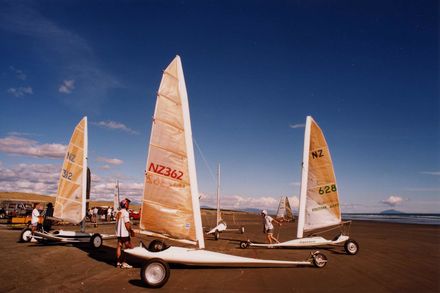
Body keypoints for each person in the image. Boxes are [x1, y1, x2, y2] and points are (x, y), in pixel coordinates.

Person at [115, 198, 135, 269]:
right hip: (124, 234)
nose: (129, 205)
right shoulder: (125, 213)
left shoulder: (118, 212)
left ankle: (118, 262)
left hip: (119, 233)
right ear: (125, 205)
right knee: (128, 248)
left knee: (119, 246)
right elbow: (127, 224)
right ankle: (124, 263)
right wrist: (131, 231)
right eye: (128, 204)